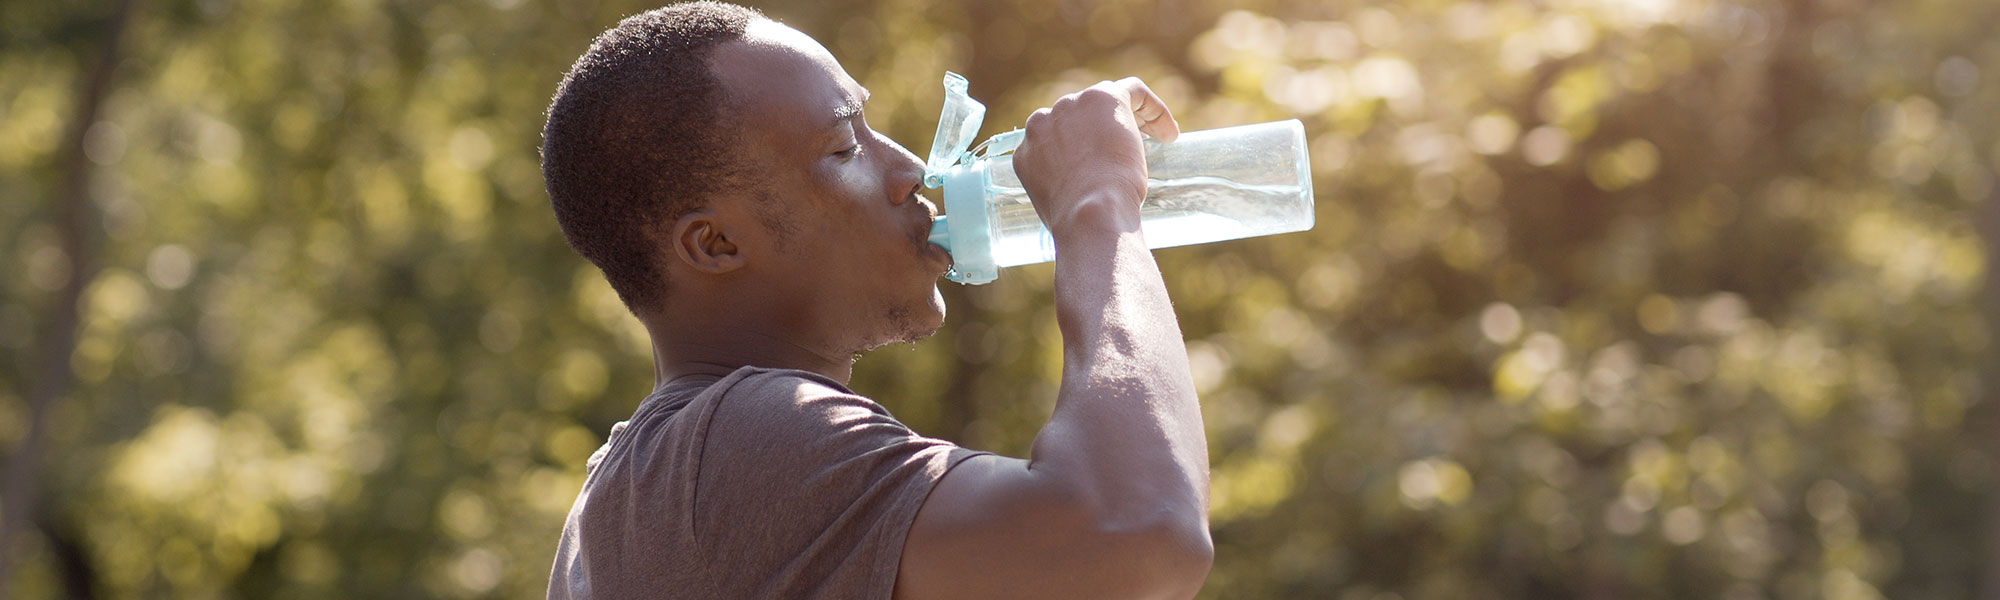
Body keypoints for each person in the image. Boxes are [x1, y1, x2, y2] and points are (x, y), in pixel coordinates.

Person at [538, 2, 1211, 598]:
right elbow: (1139, 535)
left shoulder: (629, 491)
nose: (908, 169)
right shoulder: (735, 443)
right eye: (842, 147)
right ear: (715, 243)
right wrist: (1098, 204)